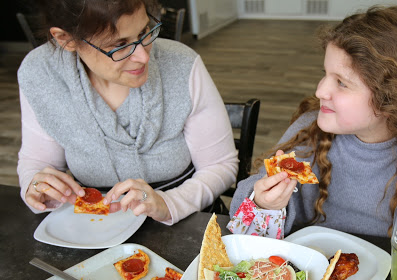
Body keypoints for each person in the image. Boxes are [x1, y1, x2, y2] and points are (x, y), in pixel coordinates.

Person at [228, 5, 397, 250]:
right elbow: (246, 229)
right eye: (325, 74)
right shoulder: (309, 131)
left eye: (341, 82)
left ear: (391, 100)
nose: (320, 90)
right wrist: (264, 204)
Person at [17, 0, 237, 225]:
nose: (143, 56)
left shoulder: (182, 63)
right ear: (66, 39)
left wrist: (169, 203)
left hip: (186, 220)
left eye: (143, 32)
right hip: (95, 226)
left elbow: (220, 165)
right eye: (119, 45)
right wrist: (37, 186)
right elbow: (37, 161)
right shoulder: (40, 74)